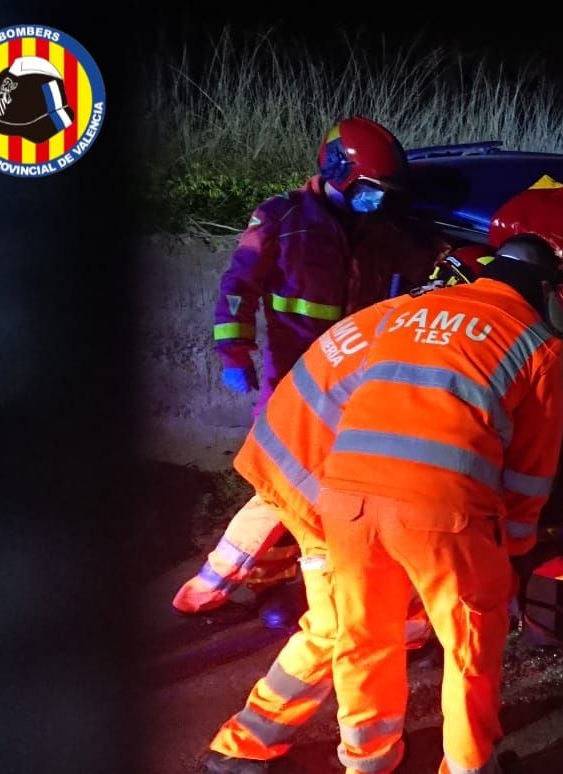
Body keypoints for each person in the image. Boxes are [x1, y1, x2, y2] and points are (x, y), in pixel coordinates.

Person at [202, 254, 487, 774]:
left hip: (296, 465)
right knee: (343, 627)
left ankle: (261, 742)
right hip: (322, 489)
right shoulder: (434, 343)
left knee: (357, 620)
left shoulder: (397, 320)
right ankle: (260, 745)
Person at [174, 116, 447, 616]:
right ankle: (233, 584)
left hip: (349, 383)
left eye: (386, 193)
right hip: (289, 380)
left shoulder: (378, 231)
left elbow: (423, 265)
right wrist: (234, 354)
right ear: (338, 169)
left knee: (316, 491)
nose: (378, 201)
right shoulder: (282, 218)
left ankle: (271, 584)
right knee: (279, 487)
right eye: (371, 190)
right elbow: (238, 288)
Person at [315, 235, 563, 773]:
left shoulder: (413, 309)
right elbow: (532, 465)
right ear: (544, 289)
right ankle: (469, 766)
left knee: (363, 635)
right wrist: (517, 546)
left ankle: (366, 761)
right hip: (442, 510)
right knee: (471, 646)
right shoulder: (538, 341)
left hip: (345, 495)